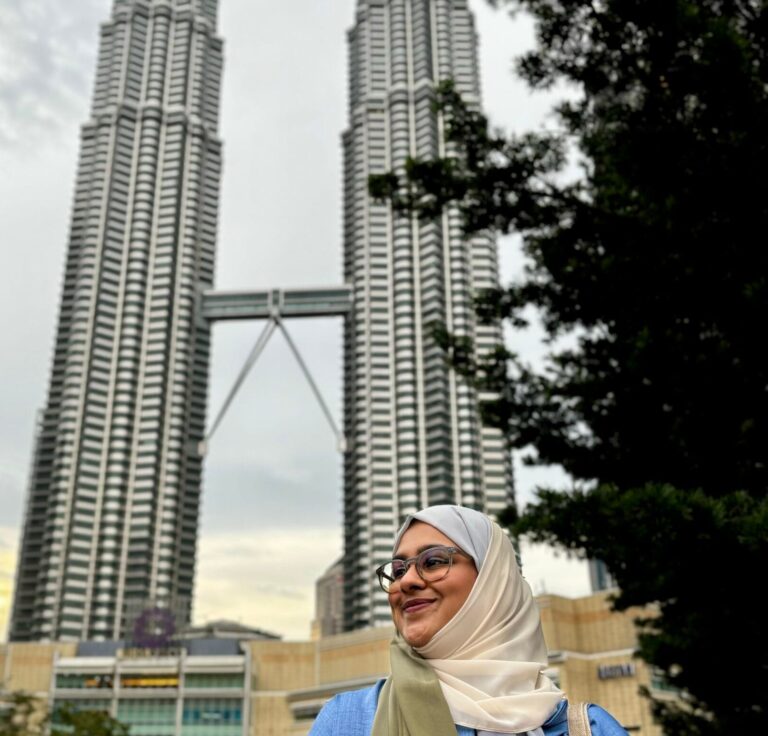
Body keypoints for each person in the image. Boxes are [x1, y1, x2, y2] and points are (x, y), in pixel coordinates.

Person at [309, 504, 628, 735]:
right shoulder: (347, 721)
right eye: (398, 570)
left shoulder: (591, 729)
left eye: (432, 561)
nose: (406, 581)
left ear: (494, 580)